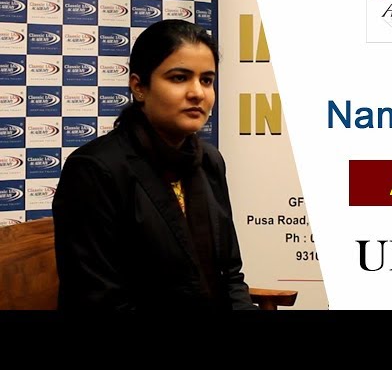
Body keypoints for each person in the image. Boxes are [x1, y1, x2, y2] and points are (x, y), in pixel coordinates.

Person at [52, 19, 258, 312]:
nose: (198, 93)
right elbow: (99, 301)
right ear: (139, 87)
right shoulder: (94, 170)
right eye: (179, 78)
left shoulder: (209, 161)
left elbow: (231, 276)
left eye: (207, 80)